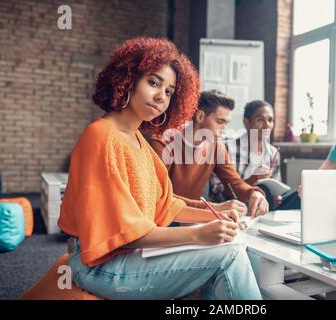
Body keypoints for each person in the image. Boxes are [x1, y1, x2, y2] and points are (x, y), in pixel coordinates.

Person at [58, 37, 262, 300]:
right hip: (99, 265)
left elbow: (165, 206)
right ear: (128, 79)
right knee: (229, 254)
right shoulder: (101, 137)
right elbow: (123, 234)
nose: (160, 97)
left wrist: (216, 215)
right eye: (153, 83)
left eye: (169, 92)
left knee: (228, 246)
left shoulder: (138, 140)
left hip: (125, 255)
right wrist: (198, 235)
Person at [149, 90, 269, 217]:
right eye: (220, 122)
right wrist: (212, 208)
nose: (224, 129)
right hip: (163, 219)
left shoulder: (216, 146)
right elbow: (160, 196)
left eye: (226, 123)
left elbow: (235, 183)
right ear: (200, 116)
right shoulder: (162, 143)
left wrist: (254, 193)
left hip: (194, 220)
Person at [210, 100, 299, 210]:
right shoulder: (228, 148)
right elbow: (218, 192)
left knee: (301, 196)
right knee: (263, 189)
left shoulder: (273, 152)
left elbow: (277, 186)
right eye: (260, 120)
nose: (267, 125)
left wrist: (277, 196)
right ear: (246, 122)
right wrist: (253, 180)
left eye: (270, 120)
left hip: (265, 204)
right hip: (236, 206)